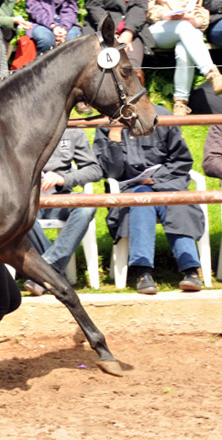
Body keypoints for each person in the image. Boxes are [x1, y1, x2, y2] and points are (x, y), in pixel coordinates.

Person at [93, 99, 205, 294]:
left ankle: (191, 270)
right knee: (141, 197)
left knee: (176, 201)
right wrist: (115, 136)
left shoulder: (162, 116)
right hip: (129, 188)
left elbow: (181, 160)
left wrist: (156, 179)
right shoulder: (108, 123)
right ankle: (143, 271)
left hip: (166, 182)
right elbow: (109, 172)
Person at [23, 128, 103, 296]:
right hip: (27, 203)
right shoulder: (18, 128)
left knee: (86, 206)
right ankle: (53, 272)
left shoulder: (73, 133)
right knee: (14, 214)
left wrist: (64, 179)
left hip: (60, 199)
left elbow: (94, 170)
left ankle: (46, 270)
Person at [147, 0, 222, 116]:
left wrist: (196, 20)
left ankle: (180, 104)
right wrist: (166, 15)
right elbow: (148, 11)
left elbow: (201, 11)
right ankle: (212, 74)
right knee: (184, 27)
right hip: (159, 29)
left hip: (187, 30)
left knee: (183, 49)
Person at [82, 0, 155, 71]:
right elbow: (94, 6)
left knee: (130, 68)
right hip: (100, 25)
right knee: (95, 68)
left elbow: (140, 7)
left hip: (133, 29)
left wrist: (128, 33)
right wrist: (110, 31)